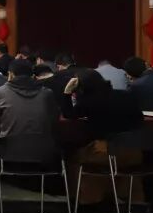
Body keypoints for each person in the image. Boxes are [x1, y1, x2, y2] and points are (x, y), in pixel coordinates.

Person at [62, 67, 144, 205]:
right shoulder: (126, 95)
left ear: (81, 87)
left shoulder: (90, 101)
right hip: (133, 152)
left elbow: (68, 114)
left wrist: (67, 92)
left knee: (71, 157)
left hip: (104, 153)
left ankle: (85, 199)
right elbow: (140, 120)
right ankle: (131, 197)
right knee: (120, 163)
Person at [0, 58, 59, 149]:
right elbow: (54, 122)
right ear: (32, 76)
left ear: (11, 74)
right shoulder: (47, 93)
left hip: (9, 150)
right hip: (42, 150)